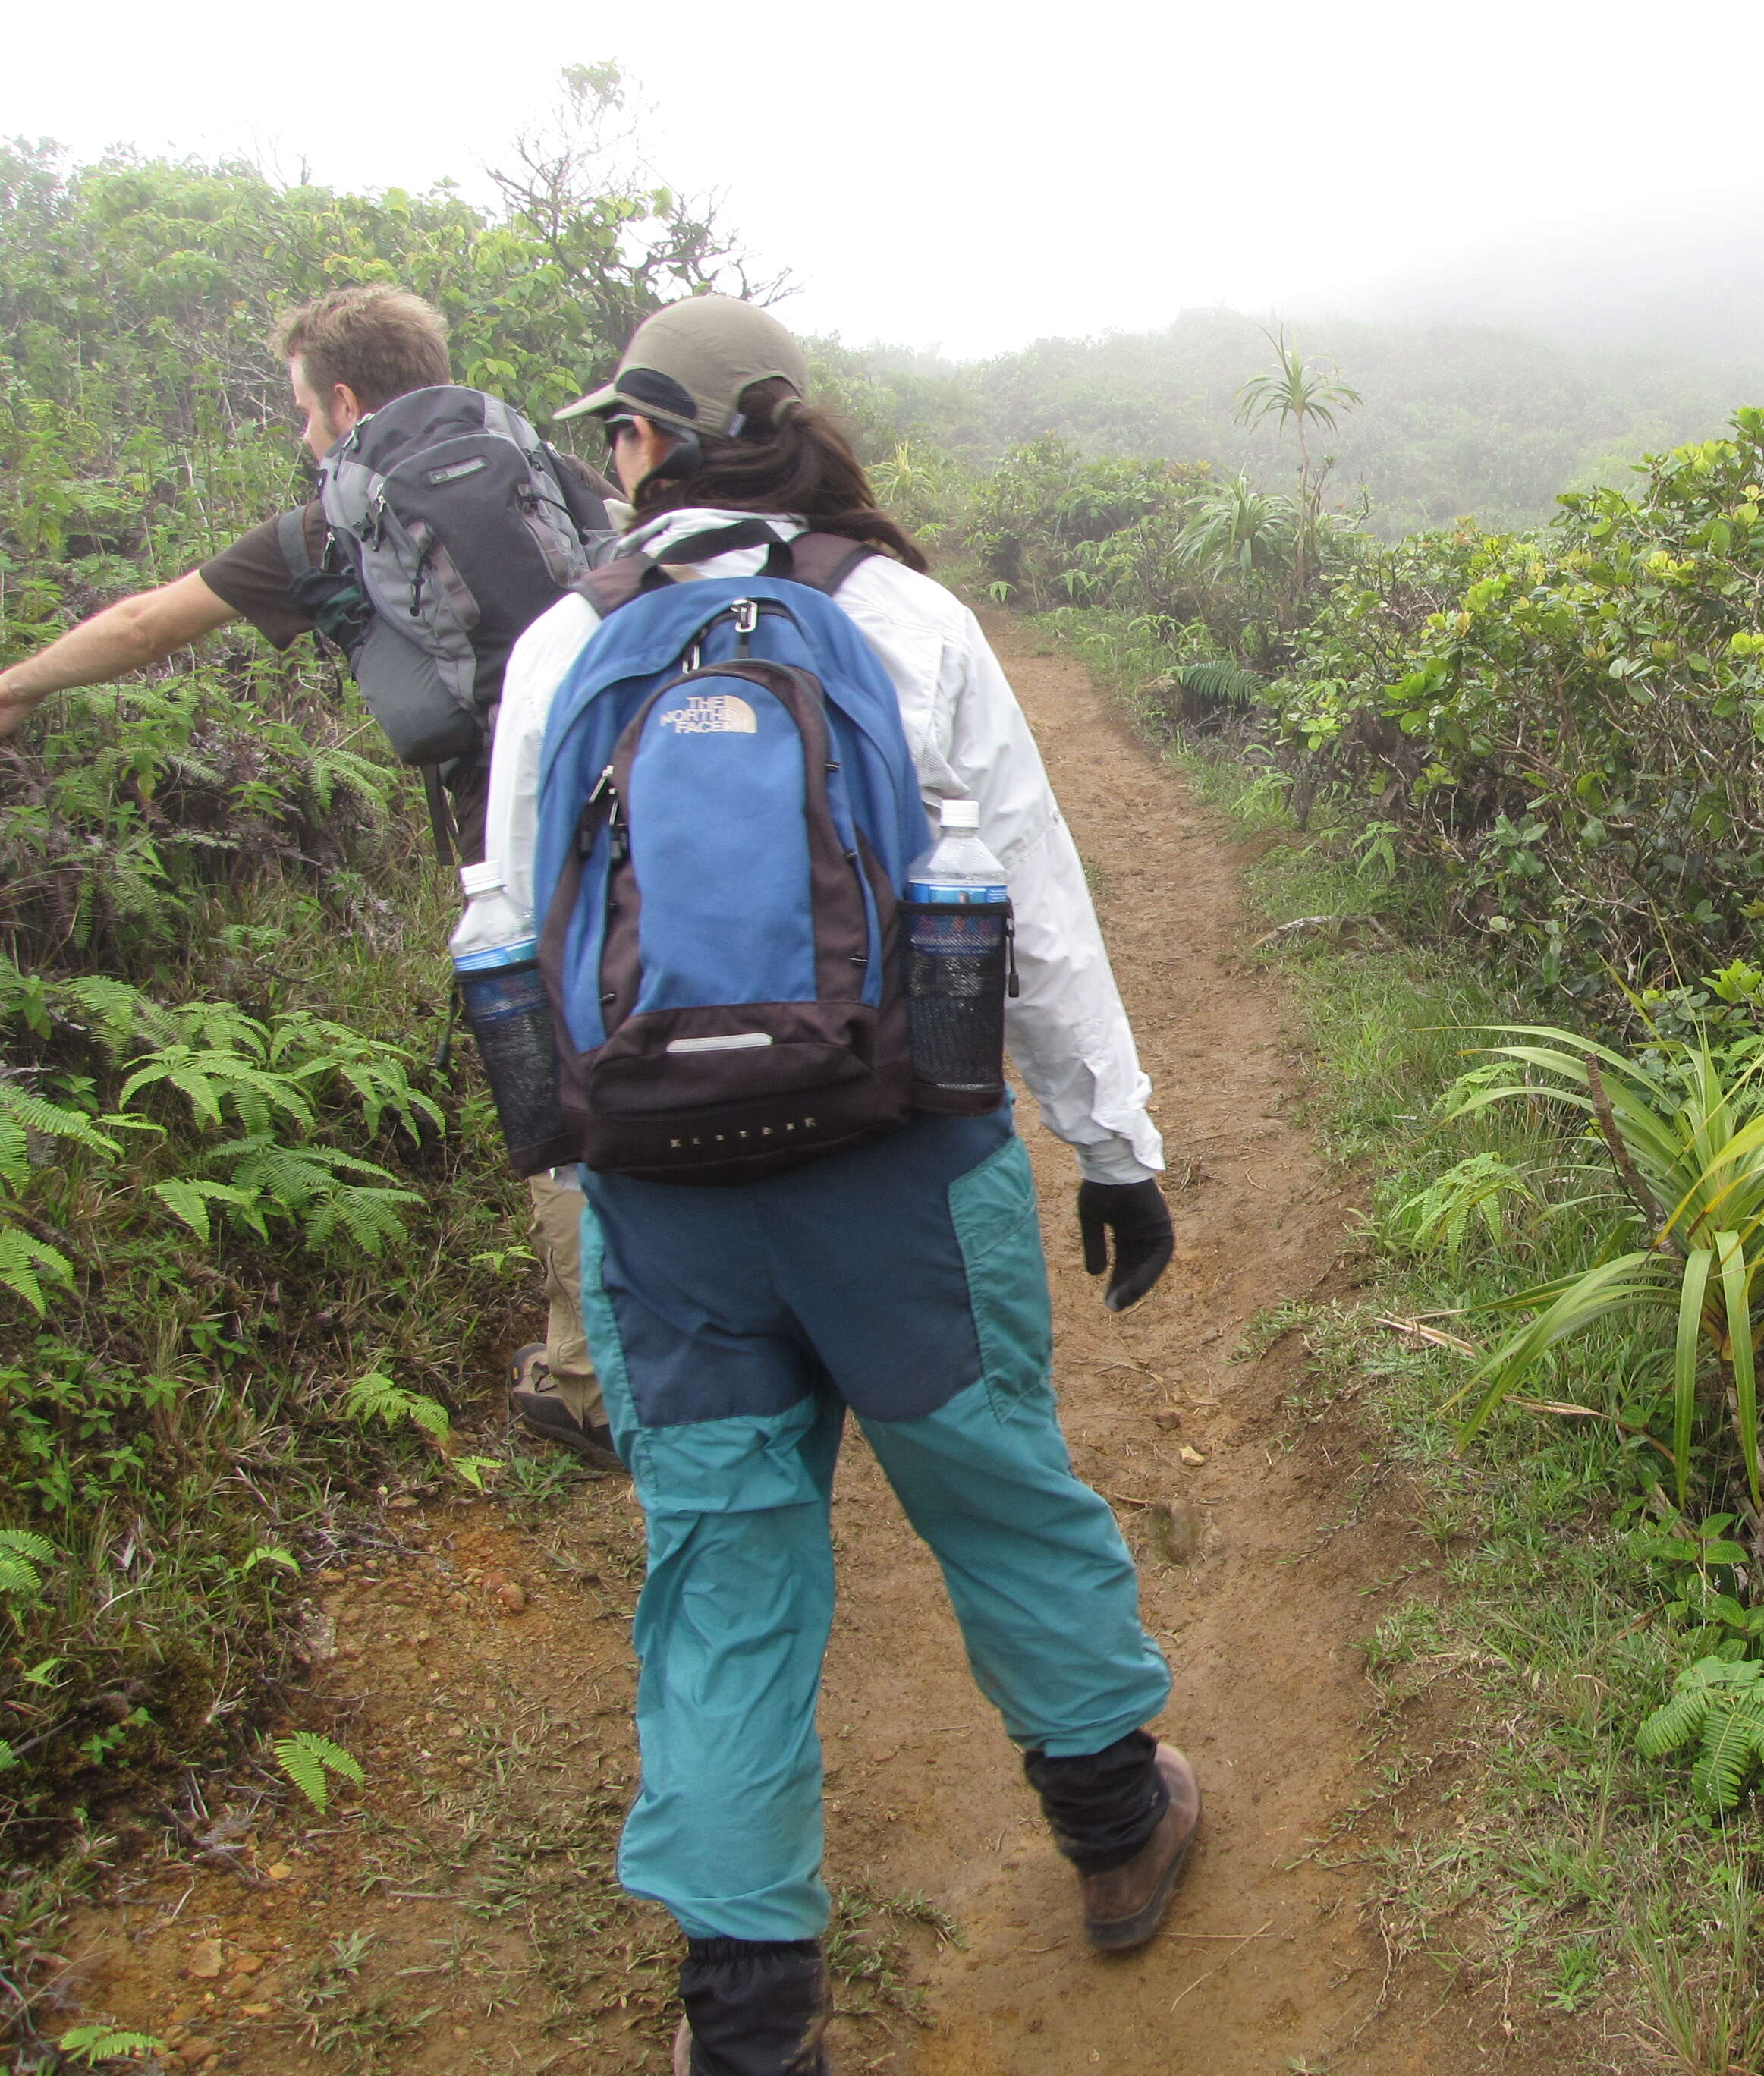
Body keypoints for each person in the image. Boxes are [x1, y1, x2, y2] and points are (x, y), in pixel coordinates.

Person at [482, 295, 1196, 2076]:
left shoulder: (564, 646)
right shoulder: (899, 612)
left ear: (652, 440)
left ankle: (750, 2026)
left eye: (620, 433)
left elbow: (513, 928)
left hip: (662, 1207)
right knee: (996, 1490)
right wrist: (1113, 1144)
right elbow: (1027, 898)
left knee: (720, 1564)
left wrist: (585, 1172)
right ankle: (1117, 1831)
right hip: (904, 1176)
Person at [0, 285, 618, 1467]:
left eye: (299, 410)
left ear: (343, 402)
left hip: (516, 846)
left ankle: (590, 1387)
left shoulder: (331, 530)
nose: (299, 435)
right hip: (650, 805)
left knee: (558, 1093)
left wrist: (17, 686)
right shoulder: (559, 476)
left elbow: (142, 622)